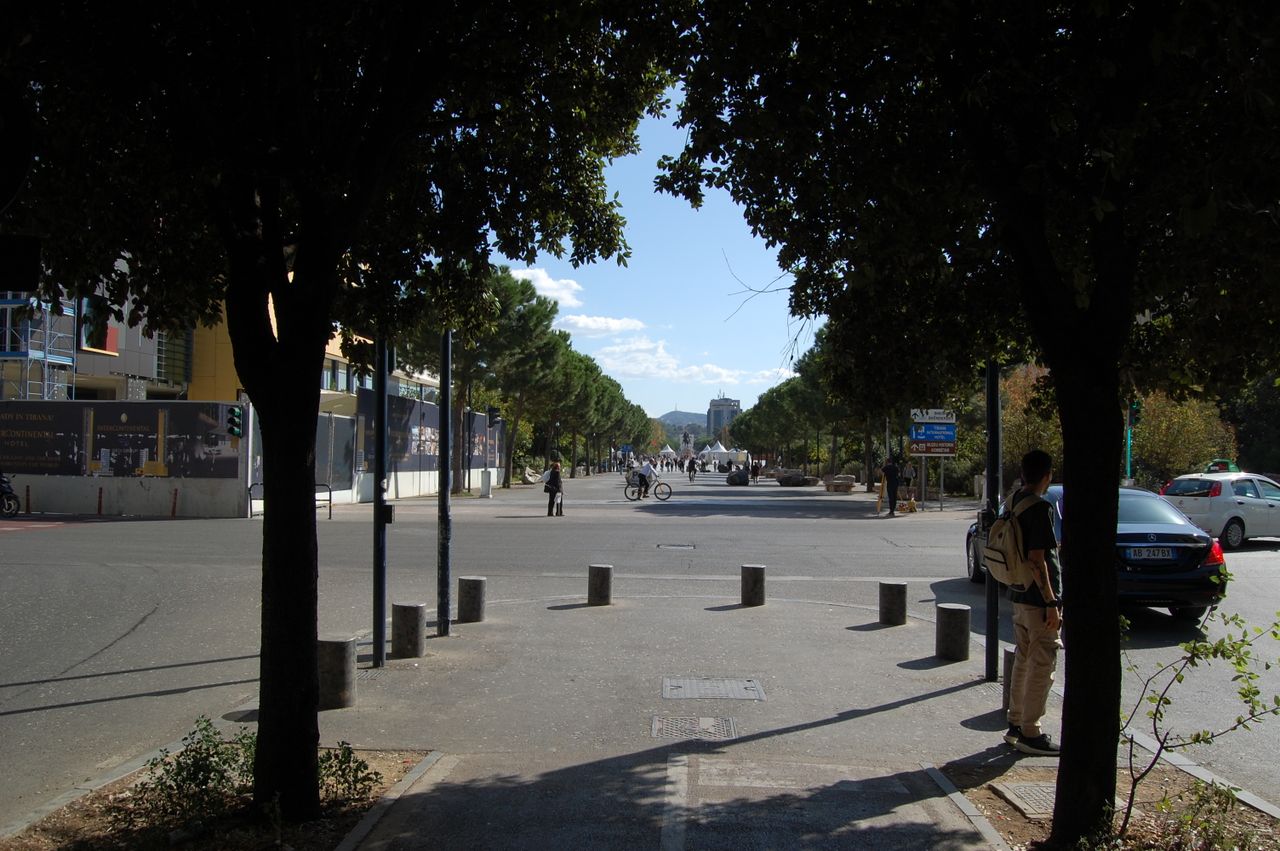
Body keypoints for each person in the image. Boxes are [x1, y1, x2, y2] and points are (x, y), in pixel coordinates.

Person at [1005, 448, 1062, 756]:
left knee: (1023, 657)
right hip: (1037, 598)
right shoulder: (1040, 508)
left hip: (1018, 591)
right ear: (1047, 476)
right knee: (1043, 662)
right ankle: (1031, 731)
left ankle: (1015, 723)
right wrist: (1051, 601)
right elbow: (1037, 559)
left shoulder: (1013, 500)